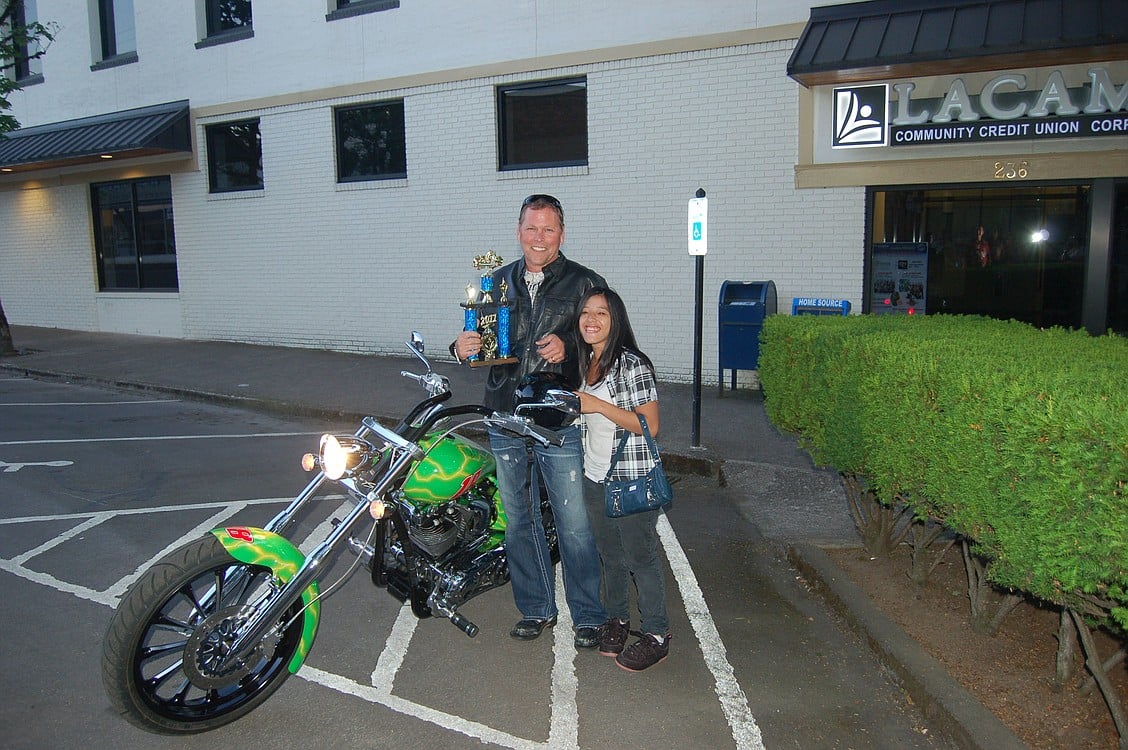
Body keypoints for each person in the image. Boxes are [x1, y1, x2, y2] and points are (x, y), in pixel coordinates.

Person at [451, 194, 608, 649]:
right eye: (531, 228)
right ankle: (536, 608)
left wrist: (571, 349)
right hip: (504, 417)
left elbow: (608, 343)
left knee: (573, 522)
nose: (539, 238)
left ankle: (589, 616)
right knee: (519, 521)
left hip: (556, 421)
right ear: (519, 231)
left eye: (549, 229)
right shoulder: (495, 283)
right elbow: (478, 340)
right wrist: (460, 348)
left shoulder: (586, 283)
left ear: (562, 233)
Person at [573, 286, 671, 672]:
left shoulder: (632, 365)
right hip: (595, 475)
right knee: (610, 557)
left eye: (602, 313)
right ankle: (617, 620)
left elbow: (650, 424)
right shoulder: (587, 363)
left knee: (639, 557)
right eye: (585, 313)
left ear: (616, 322)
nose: (591, 320)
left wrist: (594, 404)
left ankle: (658, 634)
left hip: (632, 478)